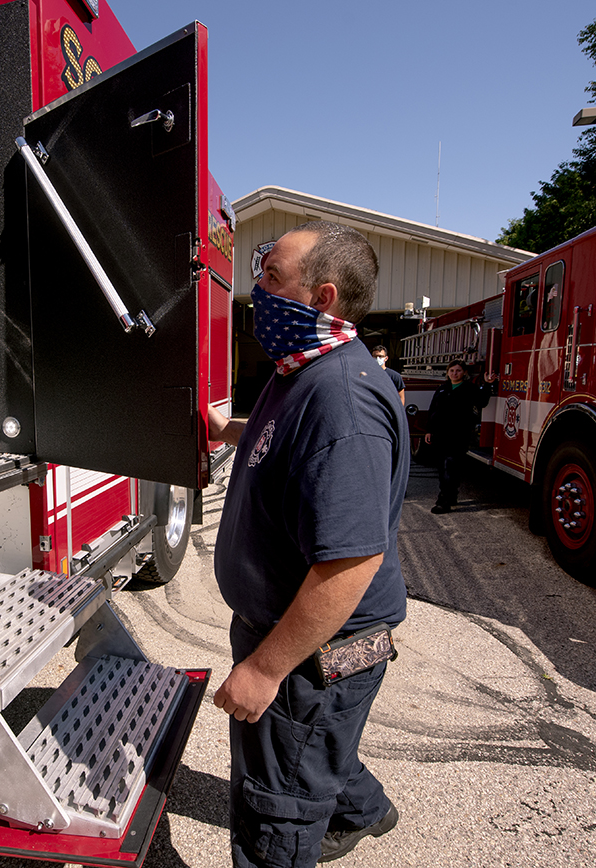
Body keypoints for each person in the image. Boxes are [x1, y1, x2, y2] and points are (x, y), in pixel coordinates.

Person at [208, 220, 408, 867]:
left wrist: (265, 669)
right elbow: (280, 439)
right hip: (306, 645)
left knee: (277, 810)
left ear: (320, 297)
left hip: (311, 652)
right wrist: (224, 429)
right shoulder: (299, 373)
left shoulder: (340, 401)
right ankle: (364, 810)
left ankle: (307, 823)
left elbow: (351, 560)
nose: (257, 291)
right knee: (318, 748)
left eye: (272, 279)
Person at [424, 358, 495, 514]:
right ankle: (451, 495)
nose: (454, 373)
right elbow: (432, 410)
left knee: (451, 467)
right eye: (452, 370)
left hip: (458, 435)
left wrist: (488, 384)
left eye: (458, 371)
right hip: (440, 434)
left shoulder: (470, 389)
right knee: (443, 468)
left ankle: (444, 501)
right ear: (448, 373)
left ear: (465, 373)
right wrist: (429, 430)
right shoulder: (442, 389)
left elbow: (482, 401)